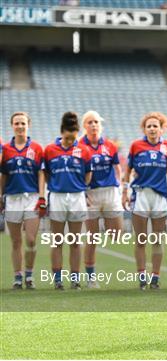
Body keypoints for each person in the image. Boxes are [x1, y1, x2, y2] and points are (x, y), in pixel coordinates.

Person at [44, 111, 93, 290]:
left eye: (74, 138)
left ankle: (75, 279)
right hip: (57, 196)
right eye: (68, 137)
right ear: (62, 132)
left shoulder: (84, 150)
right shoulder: (50, 150)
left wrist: (78, 186)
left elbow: (88, 174)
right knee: (57, 241)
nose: (71, 141)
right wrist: (57, 185)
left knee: (74, 240)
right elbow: (47, 174)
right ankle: (57, 280)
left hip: (77, 197)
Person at [123, 112, 167, 290]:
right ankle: (142, 277)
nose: (152, 129)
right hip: (140, 195)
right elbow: (127, 170)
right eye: (149, 126)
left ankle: (156, 278)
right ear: (144, 129)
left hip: (159, 196)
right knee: (141, 239)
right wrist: (125, 190)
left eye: (155, 126)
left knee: (158, 240)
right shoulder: (136, 145)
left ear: (161, 129)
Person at [0, 112, 46, 290]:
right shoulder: (6, 150)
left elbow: (41, 174)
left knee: (31, 239)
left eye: (23, 123)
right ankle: (18, 276)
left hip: (32, 198)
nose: (20, 126)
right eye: (17, 123)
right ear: (12, 126)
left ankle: (29, 274)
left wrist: (42, 196)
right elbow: (3, 176)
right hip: (12, 198)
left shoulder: (36, 148)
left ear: (28, 125)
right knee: (16, 241)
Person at [80, 111, 123, 288]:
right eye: (89, 122)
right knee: (92, 238)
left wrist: (120, 187)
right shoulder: (80, 146)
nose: (93, 125)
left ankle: (106, 220)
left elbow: (117, 168)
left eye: (96, 121)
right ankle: (91, 278)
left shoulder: (110, 145)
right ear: (85, 126)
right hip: (91, 194)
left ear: (100, 124)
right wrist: (81, 192)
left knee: (117, 235)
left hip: (110, 192)